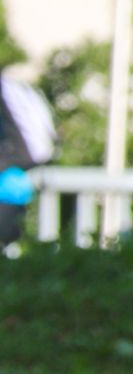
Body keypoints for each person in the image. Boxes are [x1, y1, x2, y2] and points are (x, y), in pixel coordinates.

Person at [0, 68, 54, 250]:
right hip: (18, 171)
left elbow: (37, 148)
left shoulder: (8, 88)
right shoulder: (14, 86)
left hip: (15, 169)